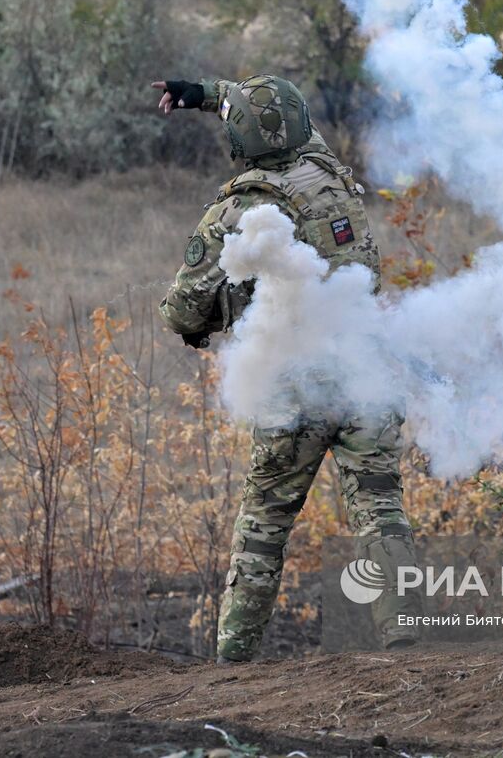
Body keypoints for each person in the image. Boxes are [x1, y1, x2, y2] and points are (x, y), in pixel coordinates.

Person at [153, 74, 420, 663]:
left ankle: (234, 662)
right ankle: (405, 641)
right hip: (366, 371)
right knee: (379, 509)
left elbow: (182, 311)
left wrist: (208, 316)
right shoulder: (324, 167)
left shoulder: (239, 209)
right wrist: (204, 91)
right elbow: (264, 108)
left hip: (295, 386)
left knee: (264, 525)